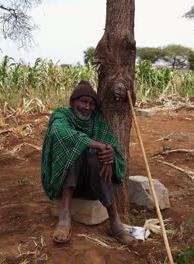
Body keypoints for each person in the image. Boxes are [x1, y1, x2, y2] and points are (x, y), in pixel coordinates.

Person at [41, 80, 137, 247]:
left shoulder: (97, 121)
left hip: (93, 184)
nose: (87, 107)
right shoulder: (61, 115)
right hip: (66, 182)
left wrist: (109, 154)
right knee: (74, 151)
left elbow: (111, 144)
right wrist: (96, 145)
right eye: (83, 102)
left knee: (96, 157)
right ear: (73, 103)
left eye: (92, 104)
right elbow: (58, 132)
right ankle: (65, 217)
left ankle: (114, 221)